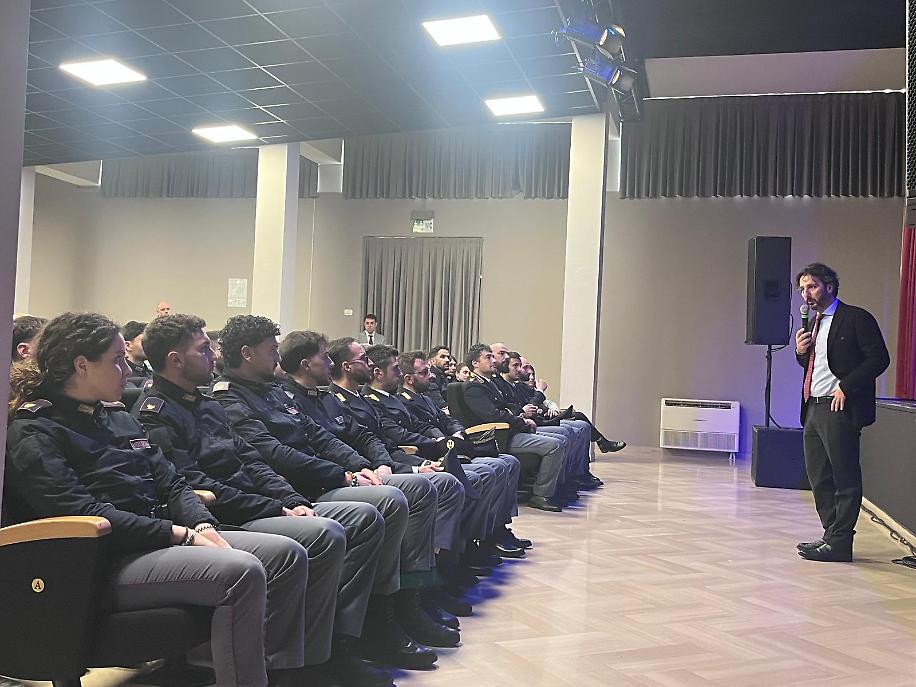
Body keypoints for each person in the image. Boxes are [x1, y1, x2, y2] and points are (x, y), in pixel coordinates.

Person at [4, 312, 310, 687]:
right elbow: (83, 514)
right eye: (117, 360)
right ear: (82, 366)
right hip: (102, 561)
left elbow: (172, 482)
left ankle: (281, 674)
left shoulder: (116, 416)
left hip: (155, 541)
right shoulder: (35, 429)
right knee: (240, 570)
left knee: (285, 554)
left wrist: (201, 524)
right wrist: (179, 534)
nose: (128, 370)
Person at [133, 315, 391, 687]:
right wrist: (275, 507)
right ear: (175, 360)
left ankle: (327, 650)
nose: (213, 355)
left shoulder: (207, 404)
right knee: (323, 536)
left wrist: (292, 500)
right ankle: (288, 667)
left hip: (253, 504)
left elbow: (251, 461)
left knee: (346, 524)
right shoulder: (157, 413)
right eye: (204, 350)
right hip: (221, 516)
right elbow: (193, 485)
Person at [209, 315, 450, 666]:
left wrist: (362, 467)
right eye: (271, 349)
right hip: (297, 488)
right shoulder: (230, 399)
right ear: (247, 354)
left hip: (318, 480)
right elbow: (273, 453)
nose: (278, 357)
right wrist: (343, 475)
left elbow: (321, 436)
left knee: (404, 494)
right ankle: (368, 625)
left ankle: (395, 607)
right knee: (389, 501)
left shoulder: (272, 391)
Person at [794, 263, 889, 562]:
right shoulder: (813, 323)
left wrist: (847, 387)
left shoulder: (856, 318)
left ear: (830, 287)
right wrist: (800, 352)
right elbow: (815, 366)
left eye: (812, 287)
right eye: (802, 289)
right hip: (813, 405)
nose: (806, 294)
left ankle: (841, 541)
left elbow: (879, 359)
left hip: (839, 407)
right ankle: (831, 536)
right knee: (819, 476)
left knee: (844, 476)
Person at [398, 350, 530, 557]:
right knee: (489, 471)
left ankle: (497, 527)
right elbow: (420, 429)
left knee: (509, 462)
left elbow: (448, 419)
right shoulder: (404, 400)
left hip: (453, 446)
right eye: (424, 373)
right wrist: (443, 438)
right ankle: (472, 541)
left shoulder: (424, 398)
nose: (430, 376)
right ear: (409, 379)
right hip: (434, 453)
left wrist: (458, 431)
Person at [462, 344, 567, 512]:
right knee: (555, 445)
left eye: (492, 356)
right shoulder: (473, 386)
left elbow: (506, 406)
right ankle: (541, 495)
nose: (493, 360)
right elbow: (493, 415)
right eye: (488, 357)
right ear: (475, 363)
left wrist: (521, 415)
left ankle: (556, 489)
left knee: (561, 439)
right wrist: (522, 422)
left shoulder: (489, 382)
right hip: (496, 436)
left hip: (509, 431)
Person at [425, 345, 451, 409]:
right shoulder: (430, 377)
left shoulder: (443, 376)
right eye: (443, 357)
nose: (447, 360)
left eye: (448, 357)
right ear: (433, 361)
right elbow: (439, 403)